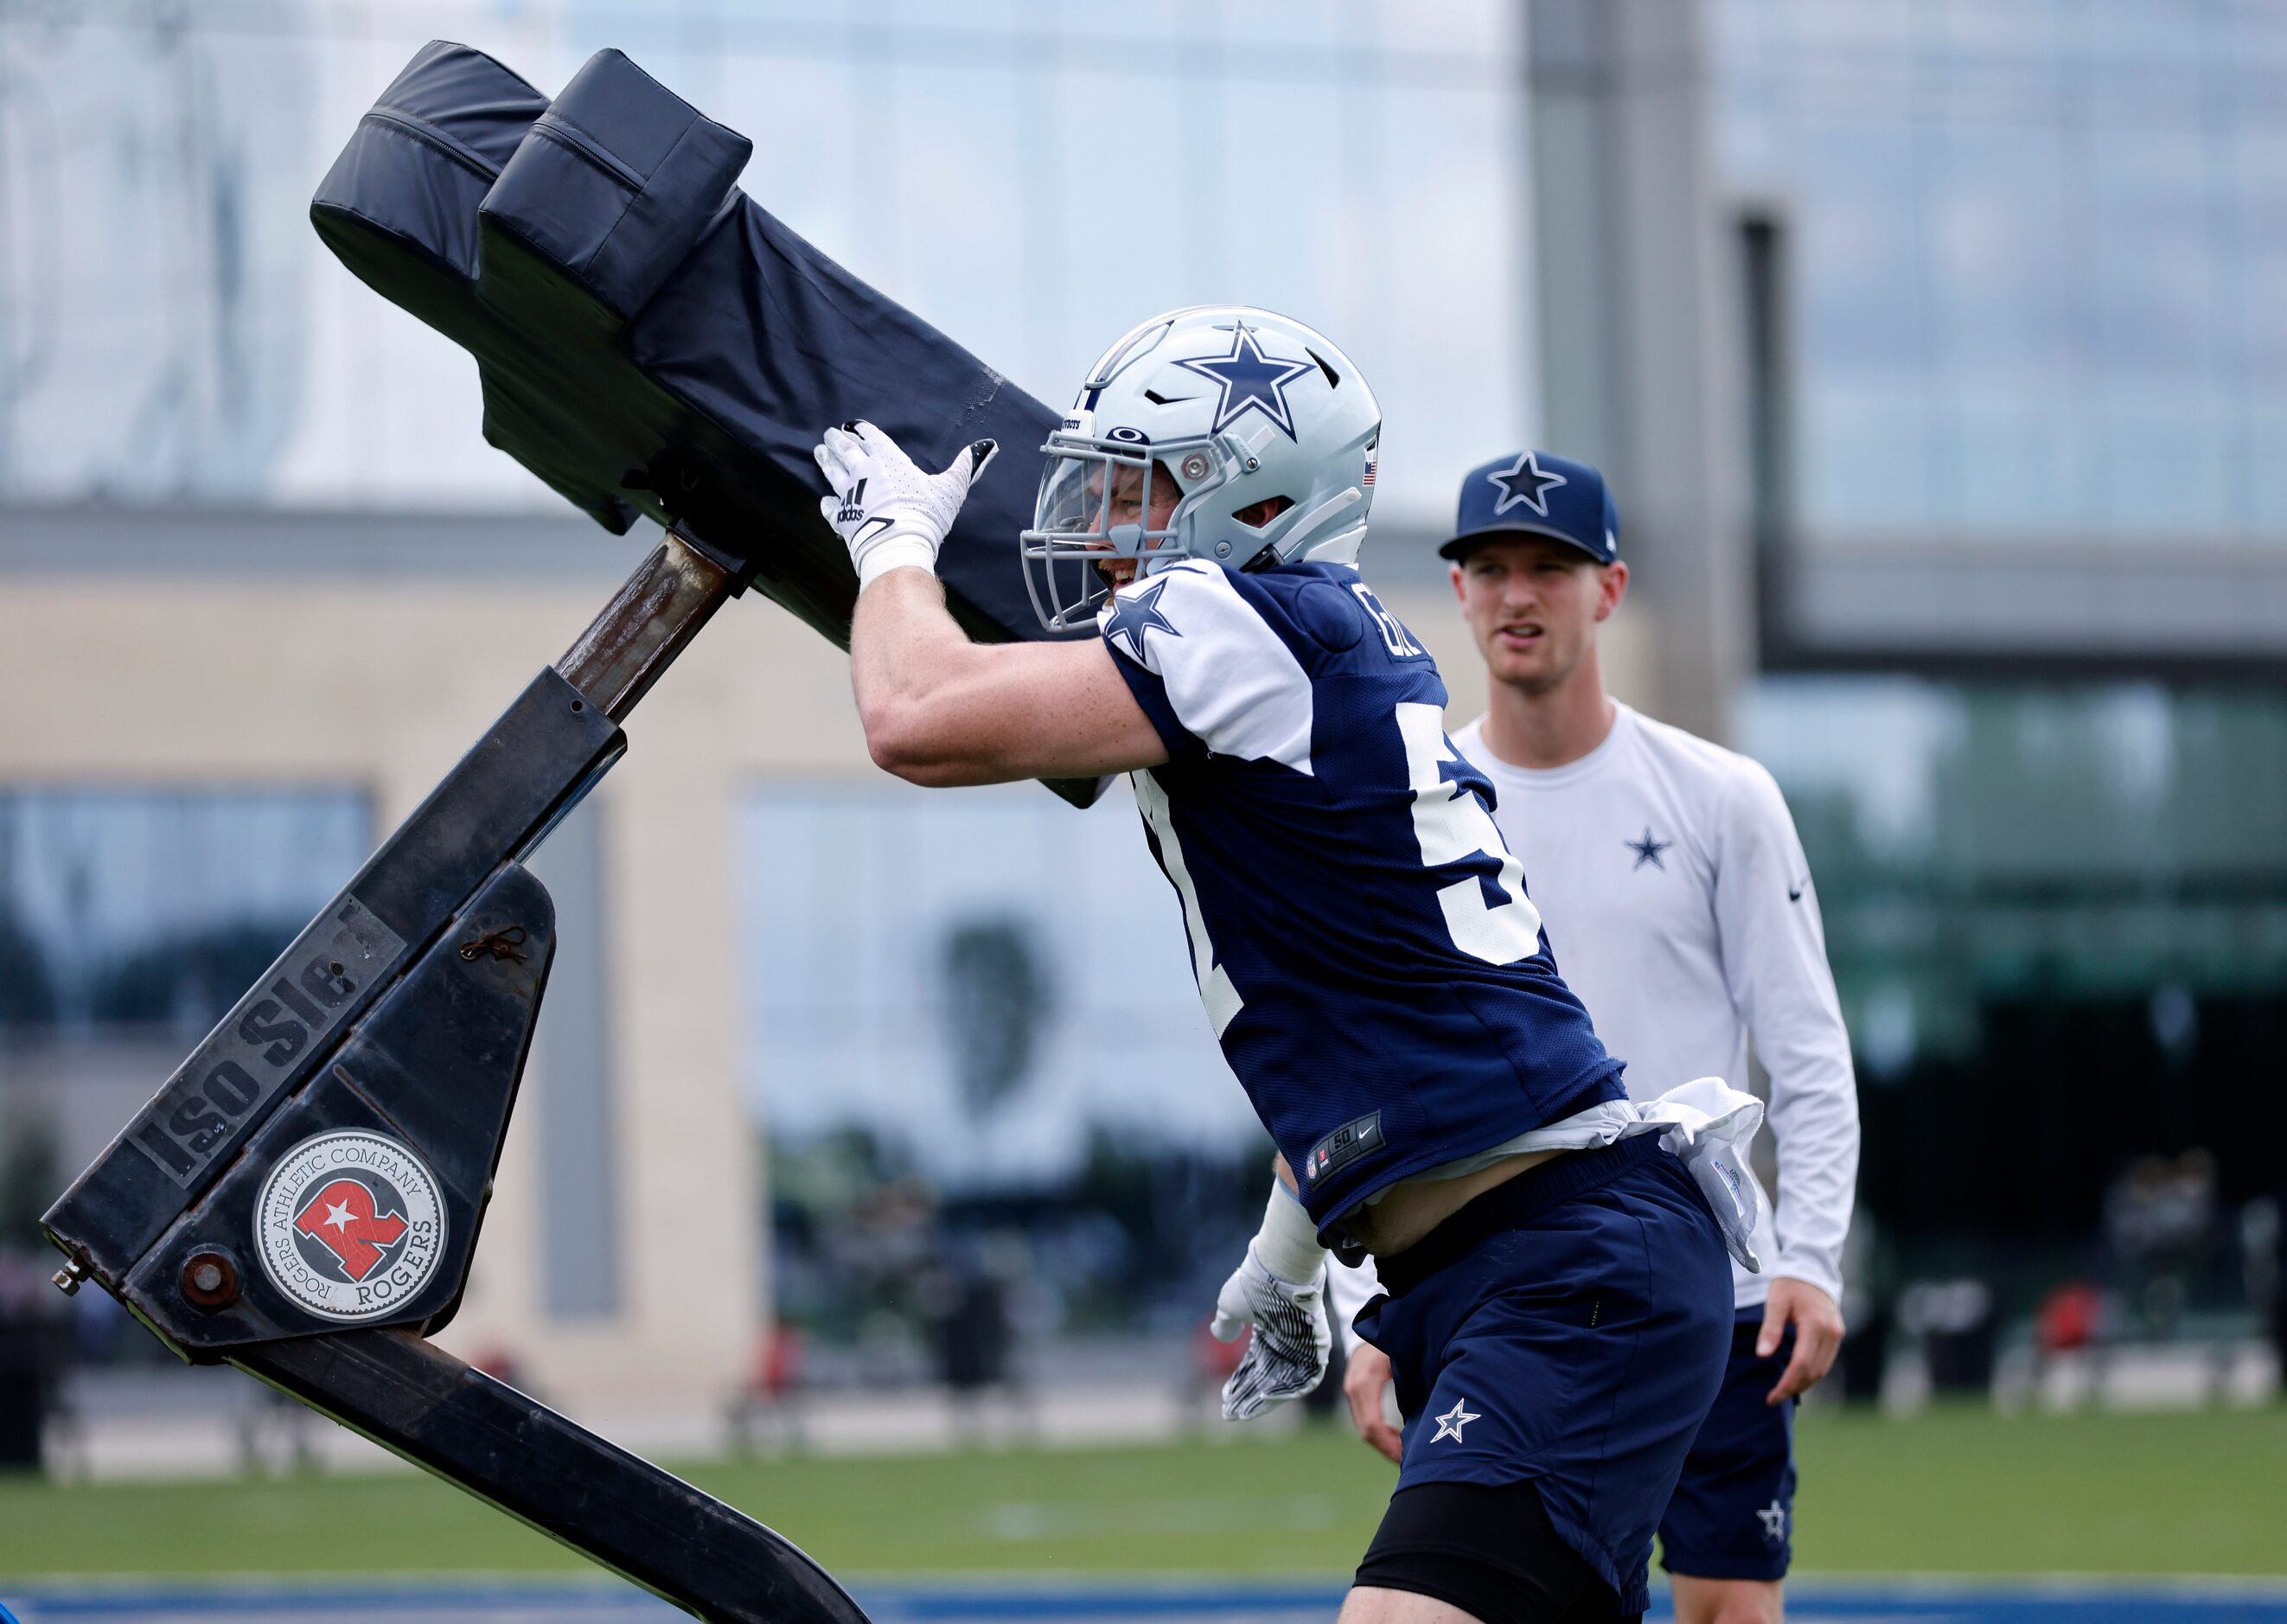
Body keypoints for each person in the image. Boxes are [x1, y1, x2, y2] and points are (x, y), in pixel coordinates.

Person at [816, 306, 1760, 1624]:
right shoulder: (1310, 643)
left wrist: (891, 546)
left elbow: (913, 717)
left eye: (1141, 486)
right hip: (1518, 1255)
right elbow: (1363, 1020)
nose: (1101, 519)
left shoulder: (1241, 621)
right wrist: (1291, 1254)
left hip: (1565, 1262)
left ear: (1254, 503)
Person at [1319, 451, 1861, 1624]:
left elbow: (1807, 1052)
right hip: (1490, 1289)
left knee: (1724, 1604)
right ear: (1455, 593)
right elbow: (1364, 1072)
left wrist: (1809, 1258)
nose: (1518, 594)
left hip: (1709, 1289)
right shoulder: (1411, 805)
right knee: (1511, 1595)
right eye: (1491, 568)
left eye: (1549, 569)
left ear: (1607, 590)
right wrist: (1356, 1307)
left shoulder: (1718, 795)